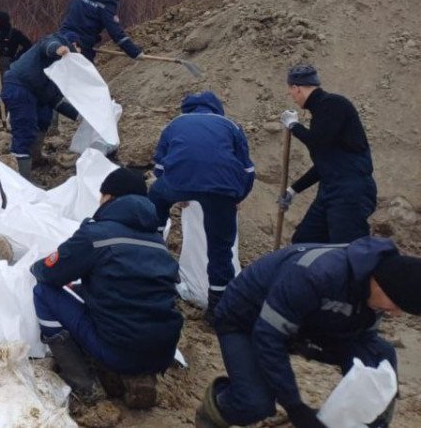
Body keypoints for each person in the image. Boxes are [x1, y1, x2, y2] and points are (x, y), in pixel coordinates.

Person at [195, 237, 419, 428]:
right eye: (397, 305)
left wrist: (363, 400)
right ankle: (216, 408)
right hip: (246, 320)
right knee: (256, 403)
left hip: (305, 325)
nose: (396, 313)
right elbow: (268, 338)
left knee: (381, 356)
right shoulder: (317, 274)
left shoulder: (375, 294)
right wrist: (295, 407)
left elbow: (364, 340)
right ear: (380, 285)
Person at [31, 168, 183, 409]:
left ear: (109, 198)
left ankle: (84, 383)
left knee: (43, 293)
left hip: (118, 349)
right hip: (163, 352)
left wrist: (36, 267)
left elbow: (48, 273)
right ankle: (139, 375)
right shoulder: (157, 243)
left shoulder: (97, 235)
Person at [149, 91, 255, 321]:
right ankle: (217, 310)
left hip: (179, 184)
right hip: (221, 191)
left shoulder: (174, 124)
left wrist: (177, 190)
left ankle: (153, 243)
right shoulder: (231, 126)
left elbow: (159, 169)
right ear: (217, 108)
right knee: (220, 248)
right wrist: (237, 197)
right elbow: (248, 171)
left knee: (155, 200)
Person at [278, 64, 377, 245]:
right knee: (304, 241)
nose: (291, 96)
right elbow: (325, 164)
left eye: (290, 91)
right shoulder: (321, 113)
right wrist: (293, 190)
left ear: (296, 88)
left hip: (350, 193)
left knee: (347, 250)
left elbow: (317, 142)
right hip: (330, 190)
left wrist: (294, 126)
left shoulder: (333, 104)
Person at [0, 32, 81, 180]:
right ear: (73, 45)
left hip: (35, 92)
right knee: (24, 130)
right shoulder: (56, 43)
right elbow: (48, 45)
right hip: (19, 86)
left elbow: (54, 99)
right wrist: (57, 49)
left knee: (44, 118)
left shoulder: (60, 68)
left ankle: (34, 158)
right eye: (78, 48)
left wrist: (79, 116)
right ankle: (21, 180)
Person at [59, 0, 142, 62]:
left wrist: (94, 38)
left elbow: (68, 16)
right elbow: (115, 32)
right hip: (80, 45)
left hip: (62, 39)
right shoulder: (107, 3)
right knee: (88, 75)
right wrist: (135, 52)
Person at [0, 10, 32, 101]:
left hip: (7, 68)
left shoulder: (14, 33)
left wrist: (17, 58)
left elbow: (28, 45)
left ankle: (2, 114)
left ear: (2, 21)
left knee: (5, 95)